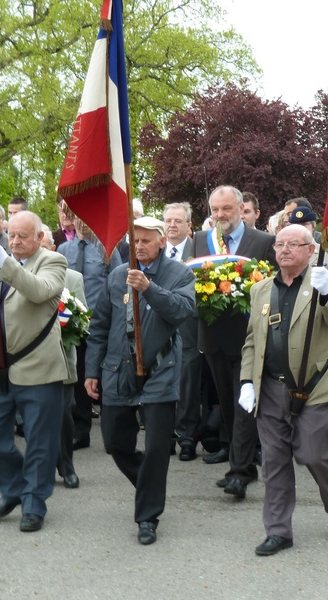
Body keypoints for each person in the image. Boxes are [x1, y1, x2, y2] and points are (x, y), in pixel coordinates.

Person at [240, 224, 328, 556]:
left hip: (312, 389)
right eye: (279, 244)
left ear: (310, 250)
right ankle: (278, 531)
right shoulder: (261, 289)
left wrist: (327, 294)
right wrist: (246, 381)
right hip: (270, 389)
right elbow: (252, 341)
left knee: (317, 456)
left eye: (293, 244)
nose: (284, 250)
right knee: (274, 462)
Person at [85, 217, 195, 545]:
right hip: (118, 369)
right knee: (114, 441)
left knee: (158, 447)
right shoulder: (117, 275)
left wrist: (149, 288)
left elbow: (182, 311)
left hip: (161, 369)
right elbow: (100, 325)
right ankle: (150, 485)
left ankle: (147, 517)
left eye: (146, 240)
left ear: (161, 242)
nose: (139, 246)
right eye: (134, 241)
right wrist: (92, 371)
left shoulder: (180, 273)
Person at [0, 210, 68, 532]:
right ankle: (15, 488)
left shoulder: (53, 262)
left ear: (39, 237)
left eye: (23, 236)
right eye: (11, 235)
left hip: (37, 366)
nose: (15, 241)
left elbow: (38, 291)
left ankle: (34, 502)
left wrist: (5, 263)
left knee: (40, 441)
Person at [193, 185, 276, 499]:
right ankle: (242, 465)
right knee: (228, 405)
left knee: (245, 405)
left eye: (226, 209)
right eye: (215, 209)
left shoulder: (263, 241)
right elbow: (189, 280)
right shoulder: (201, 240)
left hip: (249, 339)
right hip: (213, 337)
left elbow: (274, 286)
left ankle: (239, 473)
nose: (219, 215)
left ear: (241, 209)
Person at [57, 219, 115, 450]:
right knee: (80, 375)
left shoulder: (106, 248)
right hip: (74, 322)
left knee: (105, 376)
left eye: (86, 218)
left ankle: (112, 432)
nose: (82, 223)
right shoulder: (64, 249)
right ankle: (80, 431)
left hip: (101, 321)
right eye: (77, 218)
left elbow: (116, 281)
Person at [40, 224, 84, 488]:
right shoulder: (17, 275)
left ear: (53, 249)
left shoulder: (73, 278)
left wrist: (67, 324)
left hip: (63, 358)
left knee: (64, 414)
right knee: (38, 416)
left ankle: (67, 466)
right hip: (30, 360)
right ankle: (43, 466)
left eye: (44, 248)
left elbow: (83, 321)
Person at [163, 202, 201, 461]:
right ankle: (165, 437)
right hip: (160, 326)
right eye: (168, 221)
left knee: (188, 383)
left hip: (189, 326)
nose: (172, 225)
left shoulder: (199, 251)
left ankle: (187, 437)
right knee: (162, 381)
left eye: (178, 221)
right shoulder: (155, 250)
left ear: (189, 225)